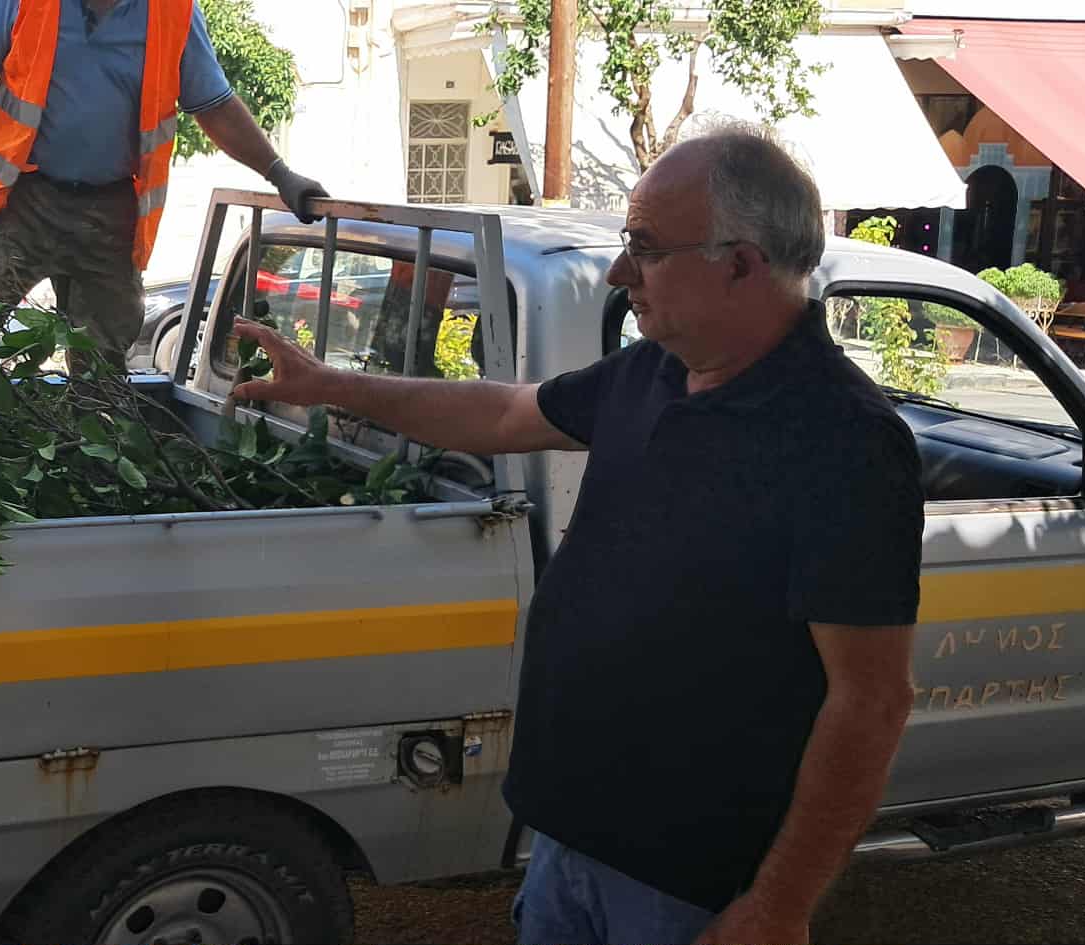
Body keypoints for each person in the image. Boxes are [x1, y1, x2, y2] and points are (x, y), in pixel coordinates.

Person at [233, 126, 922, 945]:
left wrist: (778, 906)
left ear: (740, 262)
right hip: (570, 840)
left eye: (645, 247)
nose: (621, 271)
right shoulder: (655, 370)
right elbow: (503, 411)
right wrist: (335, 385)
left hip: (691, 880)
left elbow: (871, 700)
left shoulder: (842, 439)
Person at [0, 0, 329, 369]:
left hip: (109, 214)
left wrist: (280, 174)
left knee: (101, 374)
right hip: (18, 200)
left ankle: (91, 436)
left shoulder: (173, 13)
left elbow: (215, 105)